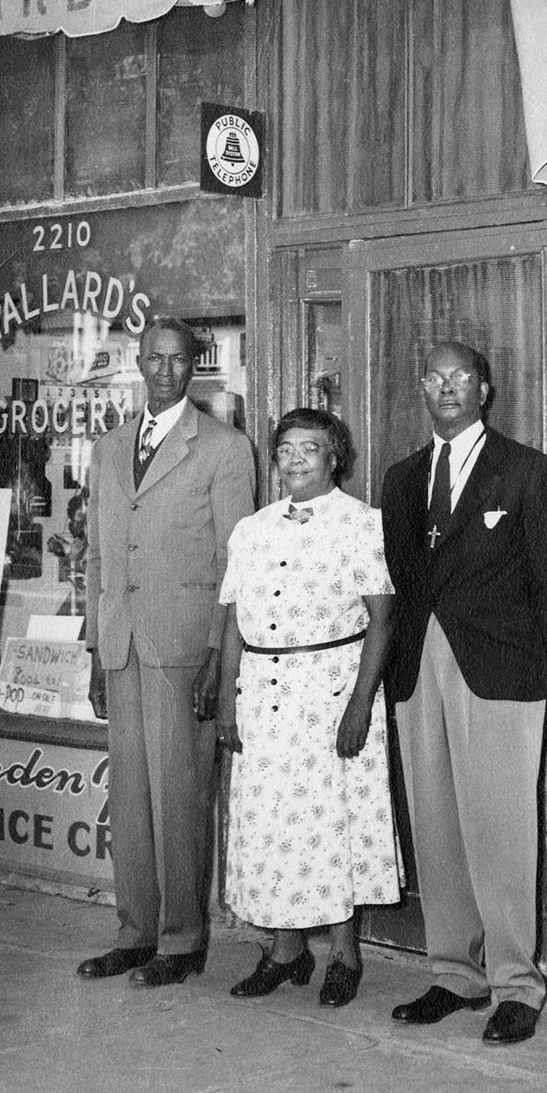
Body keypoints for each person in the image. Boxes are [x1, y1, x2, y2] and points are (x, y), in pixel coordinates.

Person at [380, 340, 547, 1045]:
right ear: (421, 389)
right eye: (433, 377)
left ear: (484, 390)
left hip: (496, 671)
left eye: (461, 377)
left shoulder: (529, 472)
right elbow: (400, 582)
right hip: (416, 671)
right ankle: (452, 974)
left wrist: (517, 646)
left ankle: (516, 985)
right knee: (434, 824)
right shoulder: (401, 480)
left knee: (500, 828)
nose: (447, 388)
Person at [77, 318, 256, 988]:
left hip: (184, 647)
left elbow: (236, 562)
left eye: (178, 360)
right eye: (152, 358)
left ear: (194, 367)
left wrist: (219, 654)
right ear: (137, 363)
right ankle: (135, 931)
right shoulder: (109, 447)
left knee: (180, 796)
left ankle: (182, 942)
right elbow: (98, 553)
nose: (163, 371)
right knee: (129, 797)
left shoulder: (223, 448)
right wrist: (96, 644)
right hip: (122, 642)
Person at [216, 408, 402, 1008]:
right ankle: (285, 949)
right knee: (272, 824)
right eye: (287, 449)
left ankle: (344, 954)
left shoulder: (361, 524)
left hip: (330, 696)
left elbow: (383, 621)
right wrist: (226, 703)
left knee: (328, 824)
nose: (296, 459)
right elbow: (232, 624)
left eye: (311, 449)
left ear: (334, 457)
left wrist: (358, 706)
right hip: (263, 695)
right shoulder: (252, 530)